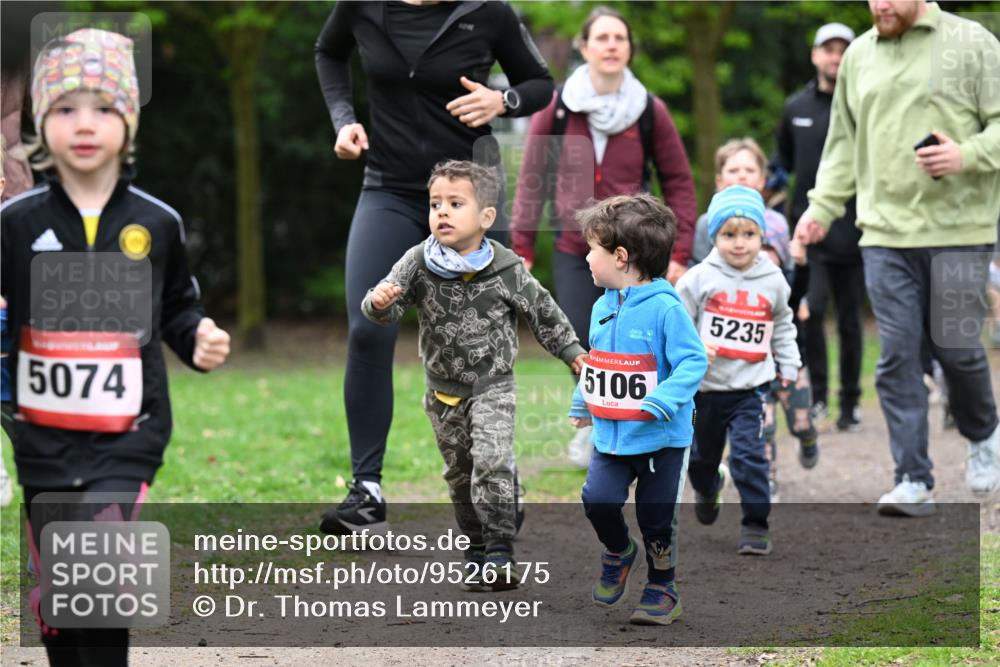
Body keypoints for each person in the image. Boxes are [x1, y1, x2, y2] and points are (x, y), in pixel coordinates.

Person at [0, 28, 231, 665]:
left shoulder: (157, 223)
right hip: (42, 438)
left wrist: (197, 336)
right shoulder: (15, 225)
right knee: (61, 593)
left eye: (103, 107)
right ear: (40, 124)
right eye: (64, 108)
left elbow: (177, 306)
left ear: (129, 122)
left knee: (100, 582)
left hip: (129, 434)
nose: (84, 123)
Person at [315, 0, 555, 534]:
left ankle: (496, 475)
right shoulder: (362, 5)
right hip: (391, 189)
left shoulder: (487, 11)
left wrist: (503, 100)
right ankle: (367, 492)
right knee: (368, 323)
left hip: (471, 193)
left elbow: (540, 83)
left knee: (478, 342)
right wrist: (344, 119)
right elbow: (328, 52)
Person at [795, 0, 1000, 513]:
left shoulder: (972, 43)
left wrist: (966, 154)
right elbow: (843, 144)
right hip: (884, 234)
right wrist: (822, 207)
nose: (881, 4)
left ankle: (984, 434)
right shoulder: (859, 55)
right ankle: (913, 477)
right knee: (897, 356)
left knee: (956, 349)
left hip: (959, 230)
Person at [362, 160, 585, 590]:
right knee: (461, 475)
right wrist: (379, 302)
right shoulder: (418, 262)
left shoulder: (506, 267)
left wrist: (571, 351)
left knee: (492, 462)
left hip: (493, 386)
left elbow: (543, 312)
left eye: (455, 203)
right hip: (443, 394)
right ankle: (476, 547)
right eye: (435, 204)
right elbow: (383, 309)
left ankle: (500, 549)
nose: (442, 212)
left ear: (486, 217)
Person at [511, 6, 697, 468]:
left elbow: (678, 182)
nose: (611, 45)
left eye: (620, 38)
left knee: (642, 342)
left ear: (629, 49)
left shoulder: (650, 111)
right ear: (584, 47)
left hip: (637, 255)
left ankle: (648, 424)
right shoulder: (557, 107)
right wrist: (522, 246)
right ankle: (596, 422)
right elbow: (532, 177)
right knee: (583, 338)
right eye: (602, 38)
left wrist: (680, 251)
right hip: (576, 250)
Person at [567, 194, 707, 625]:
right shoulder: (602, 305)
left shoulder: (667, 309)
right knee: (597, 500)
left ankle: (662, 587)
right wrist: (583, 401)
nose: (586, 257)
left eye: (593, 248)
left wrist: (665, 399)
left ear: (621, 257)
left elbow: (693, 361)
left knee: (656, 515)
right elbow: (598, 360)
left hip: (662, 439)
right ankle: (618, 550)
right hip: (612, 434)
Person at [689, 139, 819, 499]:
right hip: (731, 346)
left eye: (749, 170)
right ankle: (766, 482)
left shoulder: (776, 223)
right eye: (733, 170)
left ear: (763, 179)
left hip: (777, 336)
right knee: (761, 418)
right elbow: (699, 275)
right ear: (719, 179)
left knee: (799, 416)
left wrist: (800, 298)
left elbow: (790, 278)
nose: (742, 176)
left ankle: (808, 435)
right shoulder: (707, 225)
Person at [677, 185, 801, 555]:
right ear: (714, 236)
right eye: (729, 235)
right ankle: (708, 487)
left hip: (750, 389)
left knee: (750, 457)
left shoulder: (773, 279)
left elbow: (783, 325)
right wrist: (694, 349)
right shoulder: (698, 278)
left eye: (749, 234)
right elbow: (678, 327)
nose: (739, 243)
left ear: (762, 235)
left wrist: (789, 363)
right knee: (700, 460)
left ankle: (755, 524)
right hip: (704, 390)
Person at [773, 22, 864, 432]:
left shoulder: (864, 103)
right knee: (810, 314)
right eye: (828, 49)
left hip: (858, 230)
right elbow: (783, 163)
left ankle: (851, 403)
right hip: (809, 233)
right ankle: (821, 398)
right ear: (815, 55)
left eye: (843, 50)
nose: (835, 57)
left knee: (850, 320)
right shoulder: (795, 108)